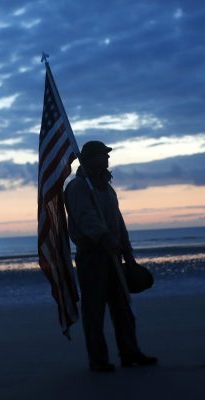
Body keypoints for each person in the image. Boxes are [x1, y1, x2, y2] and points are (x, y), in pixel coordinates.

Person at [64, 140, 157, 373]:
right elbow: (85, 218)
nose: (106, 159)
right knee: (94, 312)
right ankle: (98, 360)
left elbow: (117, 220)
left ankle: (130, 352)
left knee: (123, 307)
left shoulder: (107, 188)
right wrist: (104, 238)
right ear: (89, 159)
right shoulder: (78, 187)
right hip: (92, 257)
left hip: (114, 256)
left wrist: (127, 250)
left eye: (106, 155)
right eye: (102, 155)